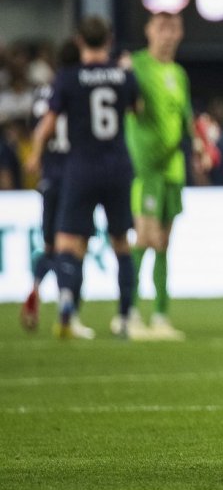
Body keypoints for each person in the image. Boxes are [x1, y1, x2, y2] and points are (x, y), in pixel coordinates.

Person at [25, 17, 138, 340]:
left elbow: (48, 124)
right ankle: (125, 316)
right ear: (109, 39)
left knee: (67, 243)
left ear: (79, 41)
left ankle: (67, 310)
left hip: (82, 168)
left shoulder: (68, 77)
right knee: (121, 243)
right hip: (117, 166)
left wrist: (35, 154)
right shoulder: (123, 75)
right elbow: (137, 110)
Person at [124, 12, 202, 340]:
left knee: (163, 243)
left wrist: (199, 145)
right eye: (162, 28)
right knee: (146, 238)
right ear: (149, 31)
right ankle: (127, 312)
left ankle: (159, 316)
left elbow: (186, 117)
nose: (167, 35)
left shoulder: (178, 74)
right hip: (146, 169)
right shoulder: (136, 65)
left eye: (173, 29)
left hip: (173, 169)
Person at [19, 41, 78, 332]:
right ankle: (67, 300)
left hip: (49, 176)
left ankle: (36, 286)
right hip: (76, 176)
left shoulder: (43, 93)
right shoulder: (78, 89)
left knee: (50, 244)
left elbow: (36, 127)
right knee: (72, 244)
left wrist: (36, 156)